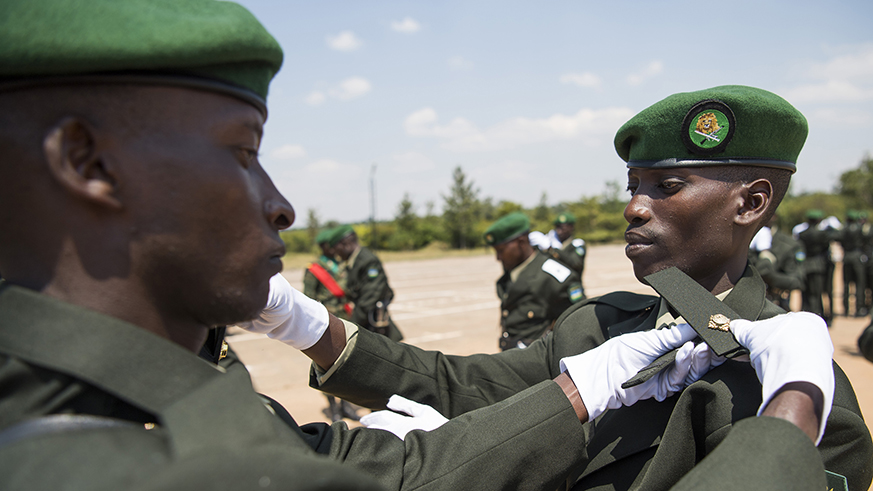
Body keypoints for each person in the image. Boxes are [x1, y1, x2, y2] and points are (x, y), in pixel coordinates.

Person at [283, 86, 872, 490]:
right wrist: (308, 327)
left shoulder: (802, 395)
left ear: (751, 203)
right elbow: (458, 386)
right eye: (632, 185)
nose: (636, 206)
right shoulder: (599, 328)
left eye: (668, 184)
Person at [485, 212, 585, 350]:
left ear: (521, 242)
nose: (498, 257)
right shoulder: (511, 273)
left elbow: (578, 322)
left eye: (501, 250)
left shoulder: (554, 276)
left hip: (537, 361)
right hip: (510, 355)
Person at [302, 227, 357, 422]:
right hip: (325, 324)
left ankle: (346, 405)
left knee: (348, 364)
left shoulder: (342, 265)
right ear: (323, 247)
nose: (334, 248)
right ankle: (333, 407)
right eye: (330, 245)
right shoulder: (315, 269)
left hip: (345, 320)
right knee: (326, 365)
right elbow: (308, 298)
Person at [330, 225, 403, 341]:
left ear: (345, 244)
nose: (337, 254)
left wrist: (350, 328)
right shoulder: (353, 262)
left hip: (374, 327)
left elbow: (370, 297)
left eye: (337, 249)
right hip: (366, 323)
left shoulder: (368, 261)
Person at [749, 216, 804, 311]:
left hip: (775, 305)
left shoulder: (788, 245)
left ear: (773, 216)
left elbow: (797, 280)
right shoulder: (739, 240)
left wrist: (769, 276)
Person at [798, 210, 840, 323]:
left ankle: (807, 315)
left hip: (806, 265)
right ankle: (817, 316)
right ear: (819, 220)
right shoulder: (822, 234)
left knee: (807, 293)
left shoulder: (802, 234)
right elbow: (826, 248)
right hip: (819, 265)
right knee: (816, 294)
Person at [530, 212, 588, 279]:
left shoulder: (577, 244)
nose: (559, 231)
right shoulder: (551, 242)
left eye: (562, 228)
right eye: (557, 227)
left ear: (571, 227)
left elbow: (575, 263)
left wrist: (551, 249)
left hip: (571, 285)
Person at [840, 210, 869, 317]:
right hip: (857, 256)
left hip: (847, 256)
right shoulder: (861, 229)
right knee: (860, 283)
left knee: (847, 283)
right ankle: (859, 308)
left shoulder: (844, 229)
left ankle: (846, 309)